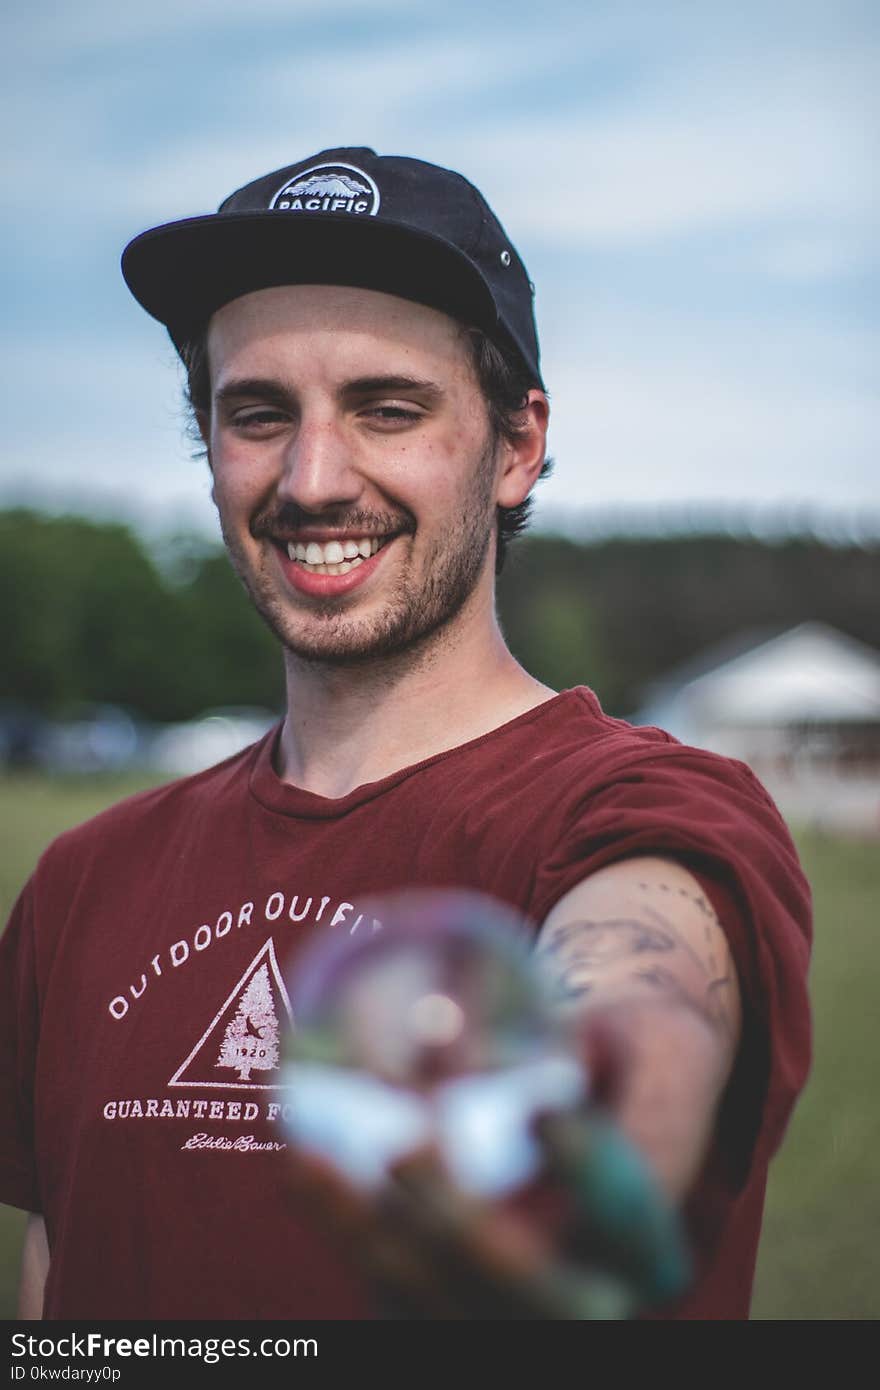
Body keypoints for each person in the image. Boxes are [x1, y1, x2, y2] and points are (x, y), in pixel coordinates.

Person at [0, 147, 811, 1322]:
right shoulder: (85, 878)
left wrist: (583, 1121)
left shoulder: (643, 811)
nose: (314, 478)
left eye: (388, 409)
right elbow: (53, 1268)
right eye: (258, 413)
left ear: (516, 446)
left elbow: (648, 998)